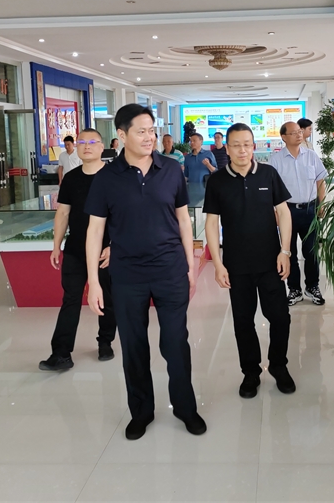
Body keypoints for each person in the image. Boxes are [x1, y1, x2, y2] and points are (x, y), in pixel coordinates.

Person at [85, 104, 205, 440]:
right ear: (122, 135)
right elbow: (95, 231)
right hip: (127, 274)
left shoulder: (171, 169)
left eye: (152, 130)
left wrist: (191, 266)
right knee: (134, 345)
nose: (149, 137)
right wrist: (94, 281)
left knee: (175, 342)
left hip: (170, 269)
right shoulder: (106, 178)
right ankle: (141, 411)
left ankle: (185, 408)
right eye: (141, 131)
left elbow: (183, 220)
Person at [204, 123, 296, 398]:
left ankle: (278, 366)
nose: (242, 150)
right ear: (227, 148)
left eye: (247, 144)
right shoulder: (217, 181)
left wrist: (285, 251)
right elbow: (211, 223)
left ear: (254, 146)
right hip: (236, 266)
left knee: (280, 317)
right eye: (236, 145)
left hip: (270, 262)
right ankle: (251, 373)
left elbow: (283, 212)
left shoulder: (268, 173)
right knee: (243, 322)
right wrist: (218, 264)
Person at [39, 128, 118, 371]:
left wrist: (114, 246)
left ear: (102, 147)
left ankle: (105, 342)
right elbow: (63, 213)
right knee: (70, 298)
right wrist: (56, 245)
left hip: (105, 252)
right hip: (75, 249)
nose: (86, 146)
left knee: (107, 298)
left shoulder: (115, 177)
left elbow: (126, 216)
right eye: (82, 142)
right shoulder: (71, 178)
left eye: (92, 142)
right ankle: (61, 353)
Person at [269, 121, 328, 306]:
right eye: (293, 133)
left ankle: (312, 286)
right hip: (287, 211)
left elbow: (320, 181)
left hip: (310, 210)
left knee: (311, 251)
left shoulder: (311, 156)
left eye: (299, 132)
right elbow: (271, 190)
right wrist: (275, 212)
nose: (299, 135)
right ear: (284, 137)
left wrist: (322, 204)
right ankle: (294, 289)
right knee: (289, 252)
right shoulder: (276, 160)